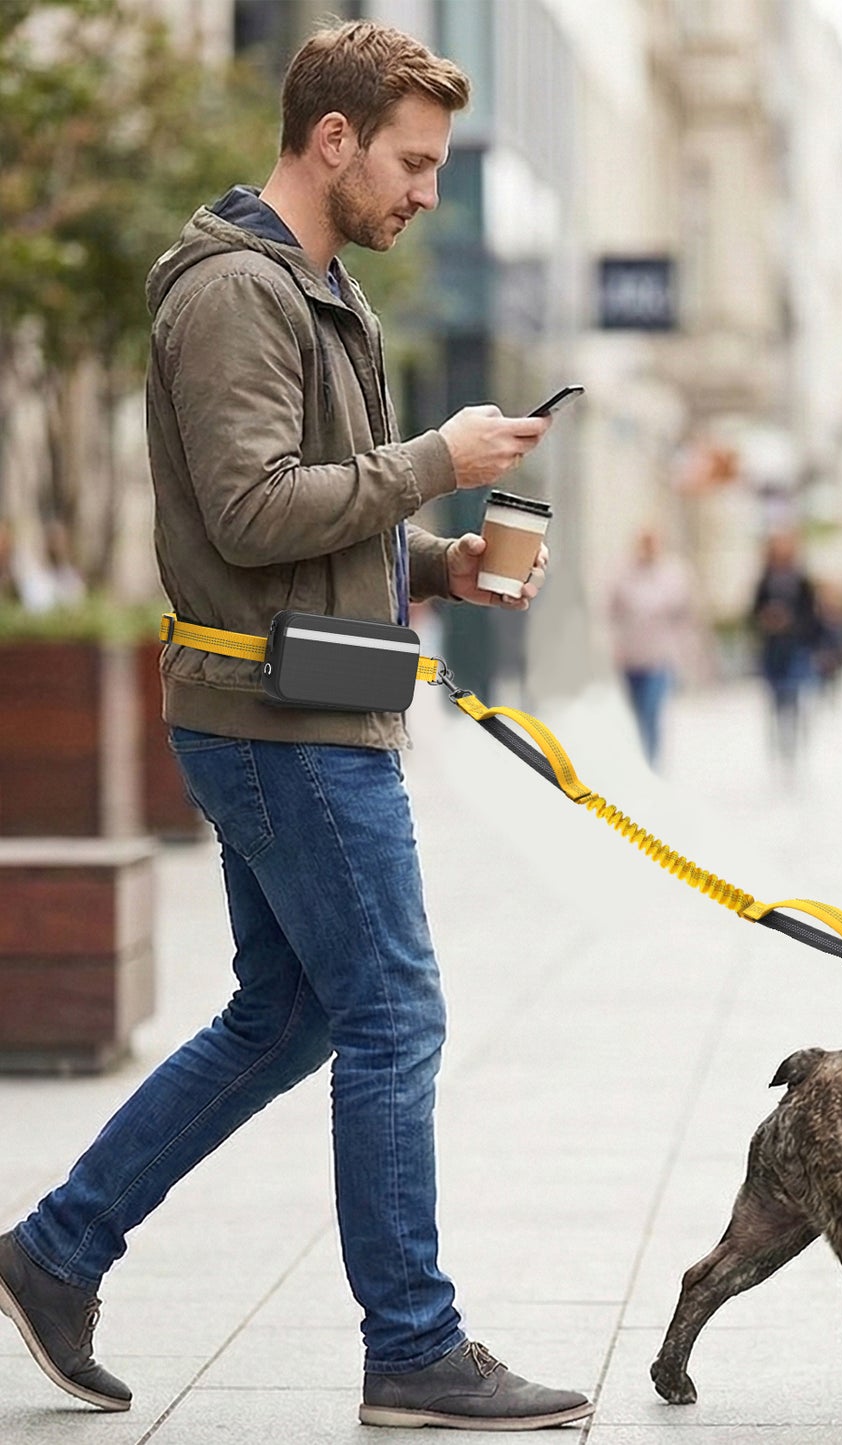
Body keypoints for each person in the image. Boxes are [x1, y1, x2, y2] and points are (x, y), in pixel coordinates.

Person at [0, 22, 592, 1434]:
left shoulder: (322, 291)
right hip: (281, 722)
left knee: (290, 1014)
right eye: (412, 162)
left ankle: (56, 1253)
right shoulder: (233, 294)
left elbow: (321, 514)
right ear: (333, 140)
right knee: (393, 1010)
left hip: (305, 699)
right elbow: (253, 509)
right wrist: (434, 460)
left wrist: (444, 562)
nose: (428, 192)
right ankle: (414, 1347)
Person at [607, 526, 695, 768]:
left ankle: (651, 762)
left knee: (651, 710)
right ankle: (643, 757)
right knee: (638, 712)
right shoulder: (624, 574)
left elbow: (683, 615)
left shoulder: (673, 574)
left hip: (660, 657)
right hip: (631, 656)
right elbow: (612, 612)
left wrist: (687, 652)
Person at [749, 531, 819, 767]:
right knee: (776, 701)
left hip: (795, 648)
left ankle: (794, 745)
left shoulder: (801, 582)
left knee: (794, 697)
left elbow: (811, 617)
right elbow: (753, 614)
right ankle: (779, 744)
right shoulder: (764, 581)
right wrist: (767, 620)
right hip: (772, 650)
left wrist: (791, 622)